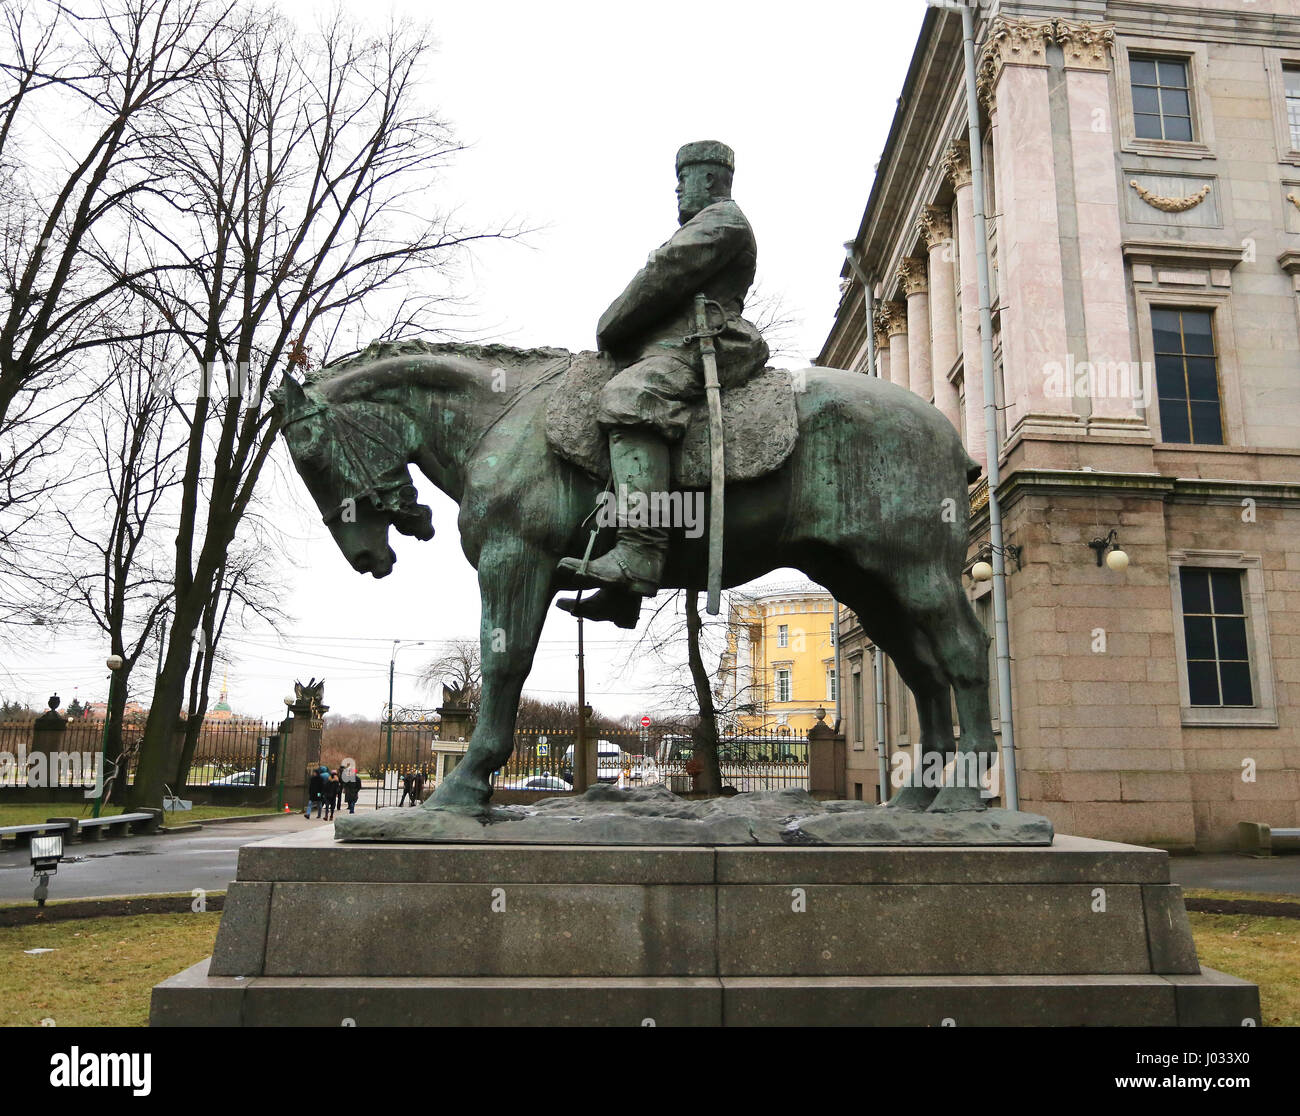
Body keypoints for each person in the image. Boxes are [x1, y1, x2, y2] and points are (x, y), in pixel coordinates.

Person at [558, 140, 767, 622]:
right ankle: (621, 594)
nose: (676, 190)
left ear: (711, 180)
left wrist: (612, 325)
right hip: (677, 343)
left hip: (705, 345)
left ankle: (640, 549)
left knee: (633, 394)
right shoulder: (710, 222)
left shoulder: (722, 222)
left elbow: (662, 275)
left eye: (683, 179)